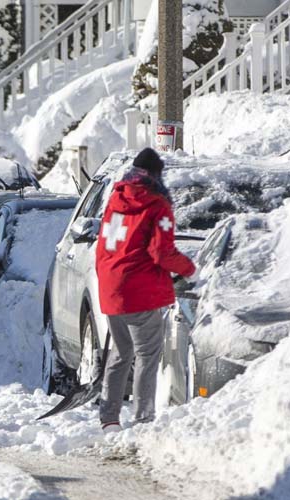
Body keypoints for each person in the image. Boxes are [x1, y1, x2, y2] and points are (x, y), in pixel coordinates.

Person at [95, 147, 196, 433]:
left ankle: (109, 418)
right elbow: (161, 252)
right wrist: (190, 269)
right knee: (147, 356)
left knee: (120, 352)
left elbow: (105, 244)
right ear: (155, 174)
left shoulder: (115, 199)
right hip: (140, 290)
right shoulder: (157, 205)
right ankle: (142, 419)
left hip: (111, 286)